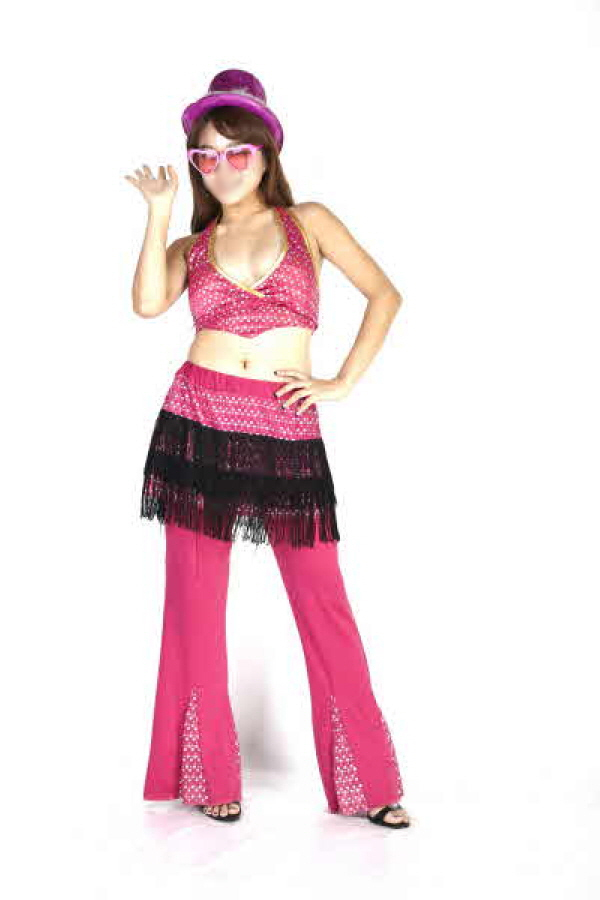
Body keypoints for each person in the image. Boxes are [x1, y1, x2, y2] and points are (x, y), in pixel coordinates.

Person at [126, 68, 411, 829]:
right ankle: (207, 777)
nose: (221, 167)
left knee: (323, 601)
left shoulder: (308, 222)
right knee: (194, 604)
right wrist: (158, 214)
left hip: (285, 428)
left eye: (236, 152)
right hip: (197, 419)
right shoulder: (195, 242)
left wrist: (340, 381)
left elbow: (384, 294)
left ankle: (370, 785)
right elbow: (149, 302)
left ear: (266, 153)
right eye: (205, 156)